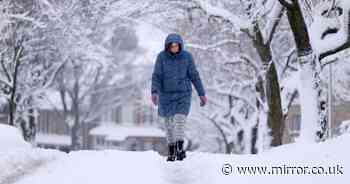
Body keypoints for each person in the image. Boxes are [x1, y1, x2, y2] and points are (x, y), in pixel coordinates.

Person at [151, 33, 207, 161]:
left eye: (176, 46)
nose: (174, 48)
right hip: (166, 95)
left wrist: (201, 93)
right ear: (168, 46)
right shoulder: (161, 57)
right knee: (169, 124)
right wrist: (154, 92)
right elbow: (156, 76)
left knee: (180, 121)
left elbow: (194, 75)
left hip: (183, 94)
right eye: (172, 46)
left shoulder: (187, 57)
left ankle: (180, 149)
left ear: (180, 46)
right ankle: (172, 151)